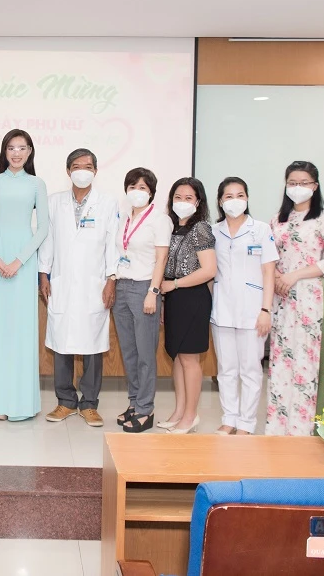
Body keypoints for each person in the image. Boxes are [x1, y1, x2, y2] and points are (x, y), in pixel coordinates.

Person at [39, 149, 120, 428]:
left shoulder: (107, 203)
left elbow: (112, 244)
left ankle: (89, 404)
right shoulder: (54, 202)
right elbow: (47, 241)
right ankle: (65, 401)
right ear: (68, 171)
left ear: (95, 171)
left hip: (94, 284)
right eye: (76, 166)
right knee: (61, 342)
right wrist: (43, 274)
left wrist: (111, 279)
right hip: (61, 282)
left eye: (87, 166)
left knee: (93, 344)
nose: (82, 171)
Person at [0, 129, 49, 421]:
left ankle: (20, 403)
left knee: (20, 329)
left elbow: (42, 228)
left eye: (22, 148)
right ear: (4, 151)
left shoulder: (37, 184)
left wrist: (18, 261)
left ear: (30, 152)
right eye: (11, 148)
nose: (16, 153)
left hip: (24, 261)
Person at [266, 161, 324, 436]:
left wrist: (295, 275)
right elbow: (269, 255)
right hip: (282, 296)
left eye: (304, 182)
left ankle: (304, 428)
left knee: (306, 361)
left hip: (311, 295)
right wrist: (278, 276)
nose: (297, 187)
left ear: (315, 186)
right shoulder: (277, 219)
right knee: (282, 358)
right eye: (292, 183)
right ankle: (278, 427)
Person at [208, 177, 278, 436]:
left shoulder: (260, 229)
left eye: (240, 195)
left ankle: (247, 423)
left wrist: (266, 310)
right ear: (220, 201)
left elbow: (269, 272)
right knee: (226, 370)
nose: (234, 201)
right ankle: (229, 419)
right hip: (222, 310)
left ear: (247, 199)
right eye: (229, 196)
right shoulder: (213, 232)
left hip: (253, 311)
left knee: (250, 370)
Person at [113, 168, 172, 433]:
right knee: (129, 351)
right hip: (122, 286)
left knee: (146, 353)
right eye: (132, 187)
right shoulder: (124, 217)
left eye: (143, 188)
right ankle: (134, 403)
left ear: (151, 193)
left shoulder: (160, 220)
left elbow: (161, 259)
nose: (137, 192)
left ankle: (145, 409)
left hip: (144, 288)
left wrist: (153, 291)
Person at [158, 177, 216, 434]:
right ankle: (179, 411)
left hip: (193, 297)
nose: (182, 202)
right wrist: (166, 295)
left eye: (188, 198)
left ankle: (191, 415)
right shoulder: (172, 228)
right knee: (178, 358)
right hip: (173, 298)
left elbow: (209, 270)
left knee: (190, 359)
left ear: (198, 201)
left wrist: (175, 284)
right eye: (178, 197)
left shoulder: (200, 229)